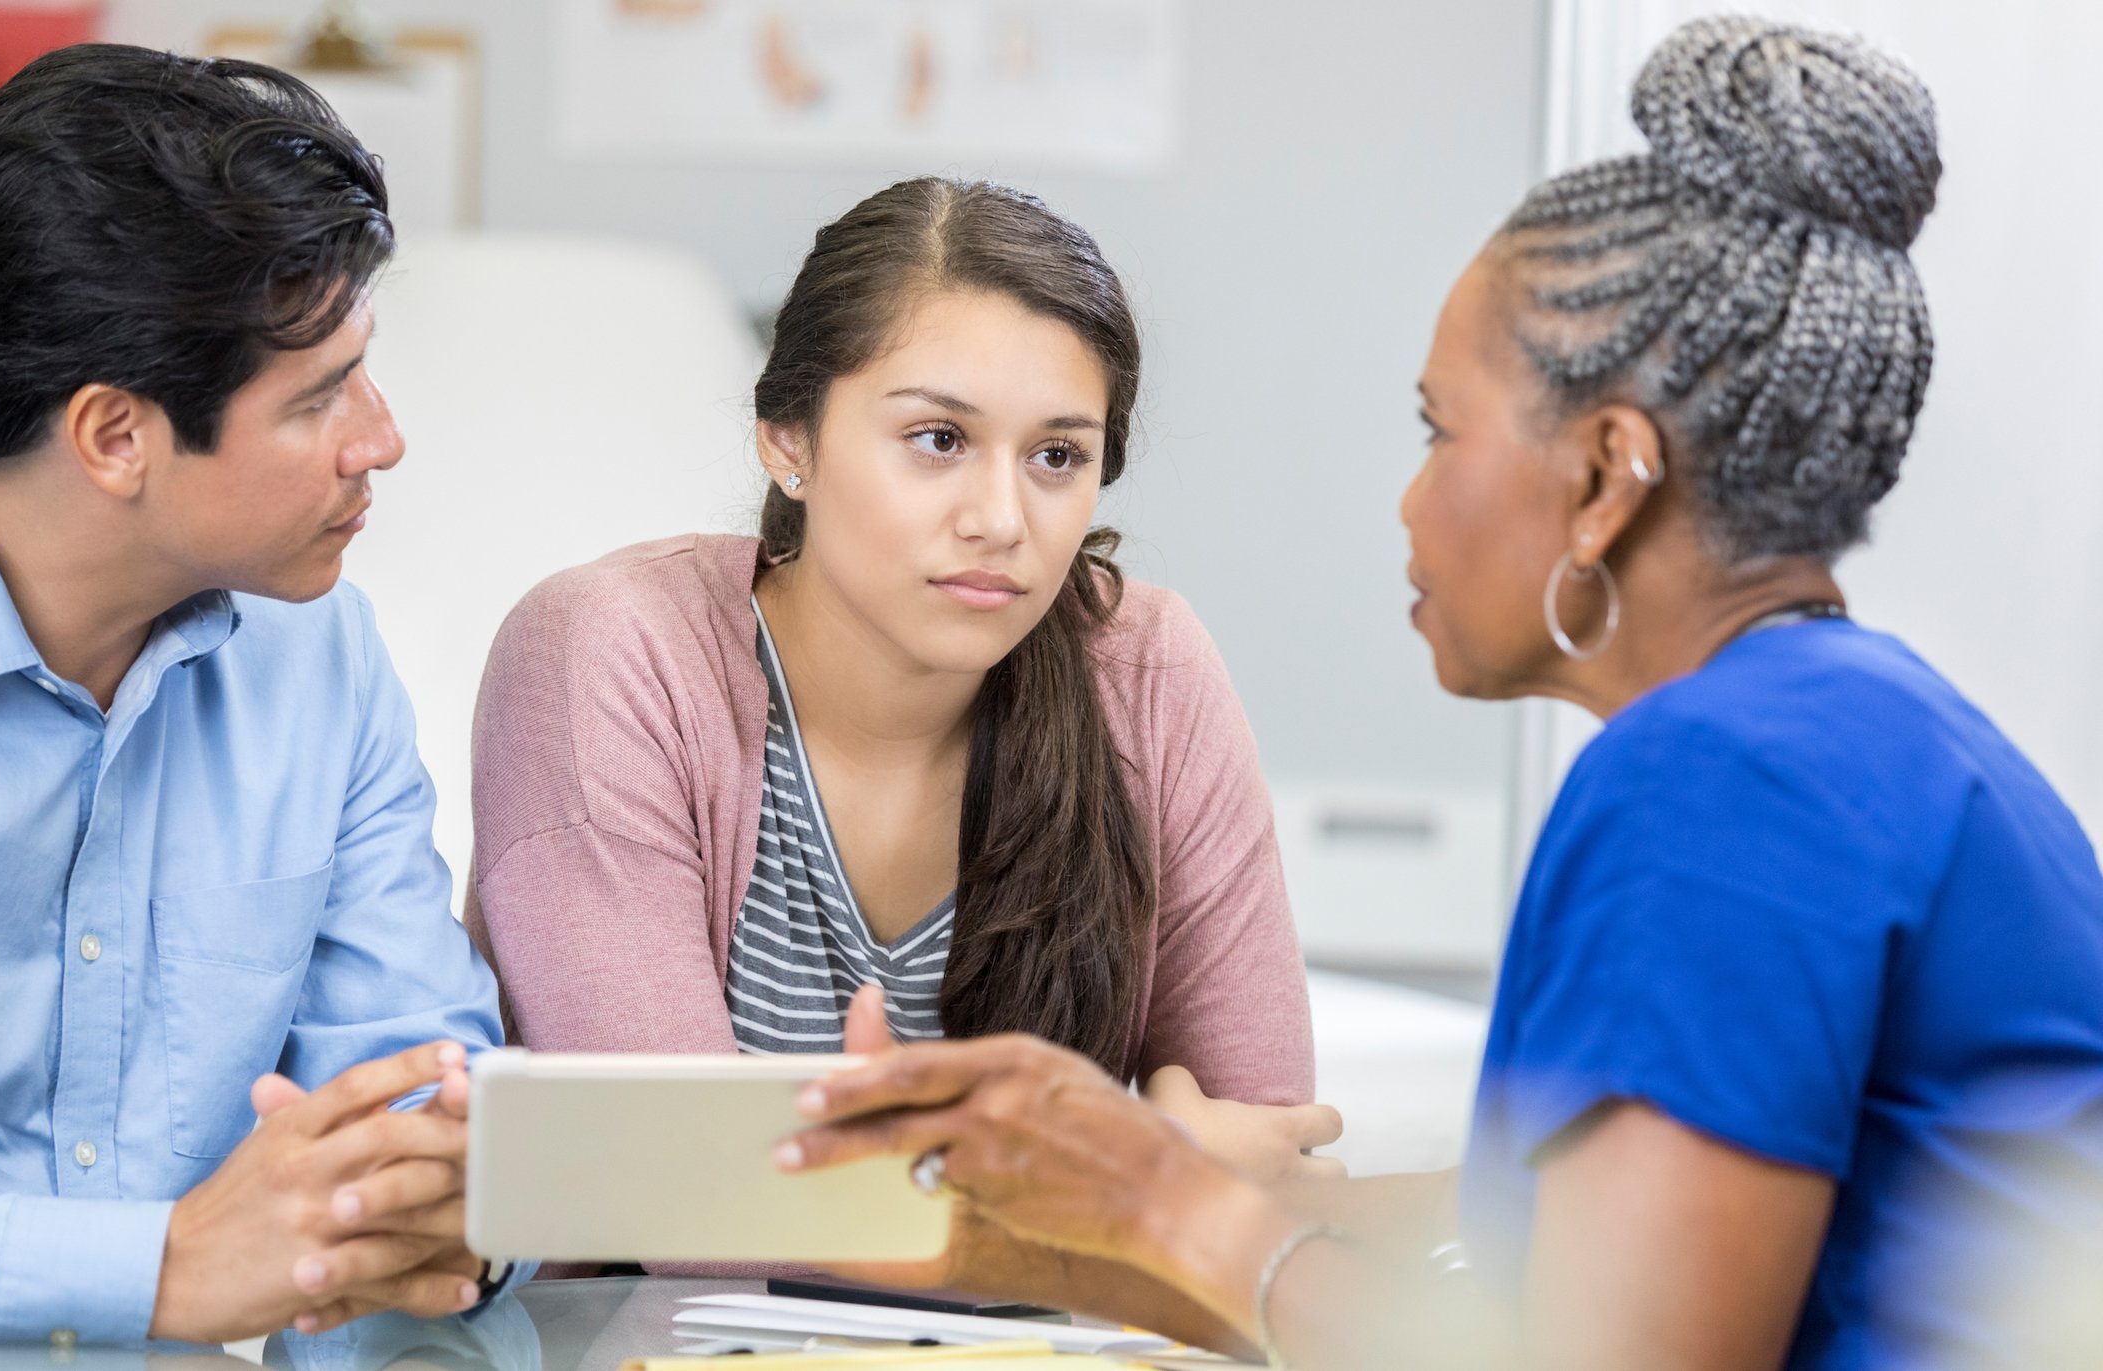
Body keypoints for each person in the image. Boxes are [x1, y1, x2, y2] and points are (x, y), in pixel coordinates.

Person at [776, 19, 2103, 1370]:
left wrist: (1164, 1203)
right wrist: (1081, 1196)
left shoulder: (1722, 774)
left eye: (1438, 428)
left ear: (1604, 479)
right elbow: (1578, 1249)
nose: (1410, 496)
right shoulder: (1858, 730)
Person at [0, 46, 523, 1345]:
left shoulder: (318, 652)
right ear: (114, 436)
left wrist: (460, 1203)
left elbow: (418, 1094)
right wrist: (159, 1263)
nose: (383, 437)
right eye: (320, 395)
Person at [468, 178, 1332, 1181]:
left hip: (1031, 1346)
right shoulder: (612, 652)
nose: (1001, 519)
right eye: (939, 440)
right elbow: (672, 1190)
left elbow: (1273, 1170)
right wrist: (1124, 1170)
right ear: (790, 437)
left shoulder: (1146, 672)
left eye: (1057, 455)